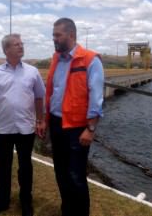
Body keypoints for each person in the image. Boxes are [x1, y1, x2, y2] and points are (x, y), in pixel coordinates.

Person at [0, 33, 45, 216]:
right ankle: (2, 202)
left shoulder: (32, 72)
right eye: (16, 44)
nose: (21, 46)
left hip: (26, 128)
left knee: (25, 167)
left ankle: (26, 203)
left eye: (22, 43)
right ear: (6, 50)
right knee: (3, 167)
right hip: (3, 129)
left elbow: (39, 97)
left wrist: (41, 120)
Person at [45, 18, 104, 216]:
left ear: (71, 35)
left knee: (76, 176)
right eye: (54, 35)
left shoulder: (90, 59)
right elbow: (52, 93)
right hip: (56, 123)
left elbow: (96, 98)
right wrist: (46, 121)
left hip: (78, 128)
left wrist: (91, 128)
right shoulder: (56, 59)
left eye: (57, 35)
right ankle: (67, 211)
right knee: (60, 173)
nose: (54, 39)